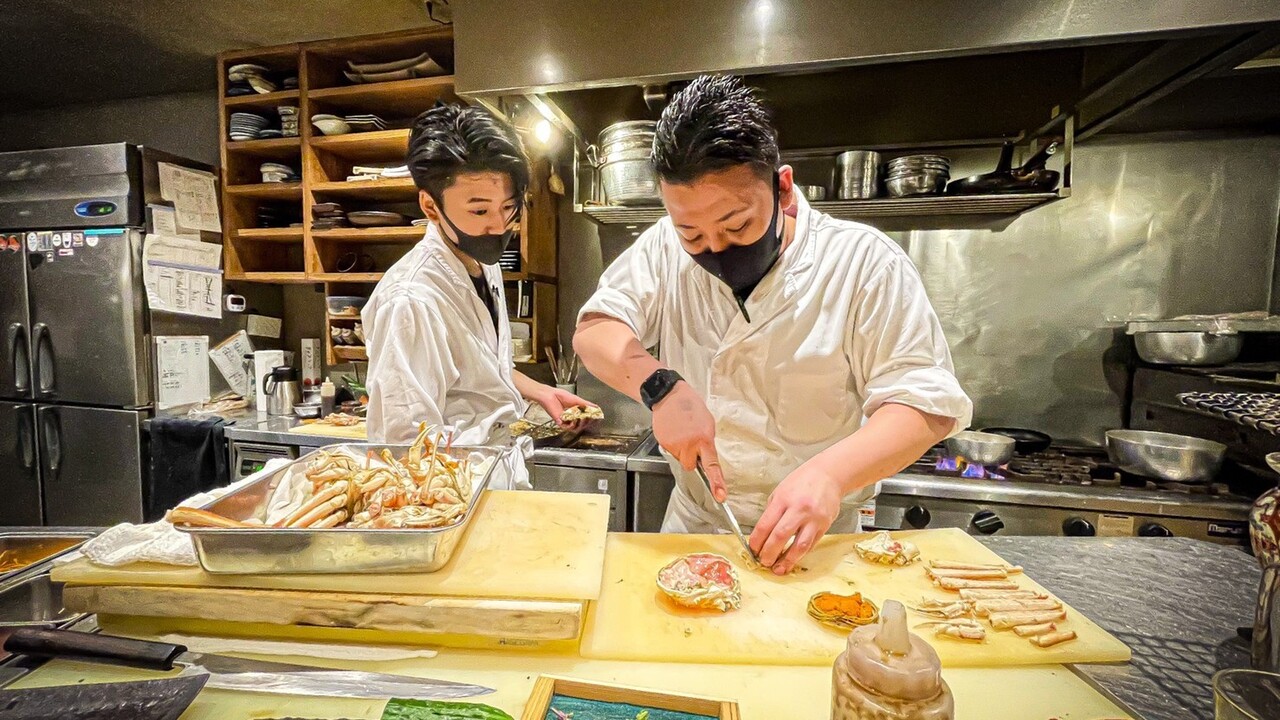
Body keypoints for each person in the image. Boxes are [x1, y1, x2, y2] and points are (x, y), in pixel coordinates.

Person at [574, 75, 971, 574]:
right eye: (691, 233)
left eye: (737, 225)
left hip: (817, 540)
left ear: (782, 188)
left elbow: (924, 405)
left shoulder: (863, 262)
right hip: (698, 528)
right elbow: (595, 329)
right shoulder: (661, 245)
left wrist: (829, 475)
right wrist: (660, 386)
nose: (715, 248)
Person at [363, 104, 594, 486]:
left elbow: (484, 364)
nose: (497, 225)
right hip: (453, 495)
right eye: (479, 210)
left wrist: (541, 392)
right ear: (430, 206)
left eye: (508, 208)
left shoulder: (480, 261)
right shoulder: (410, 301)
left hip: (498, 476)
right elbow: (403, 444)